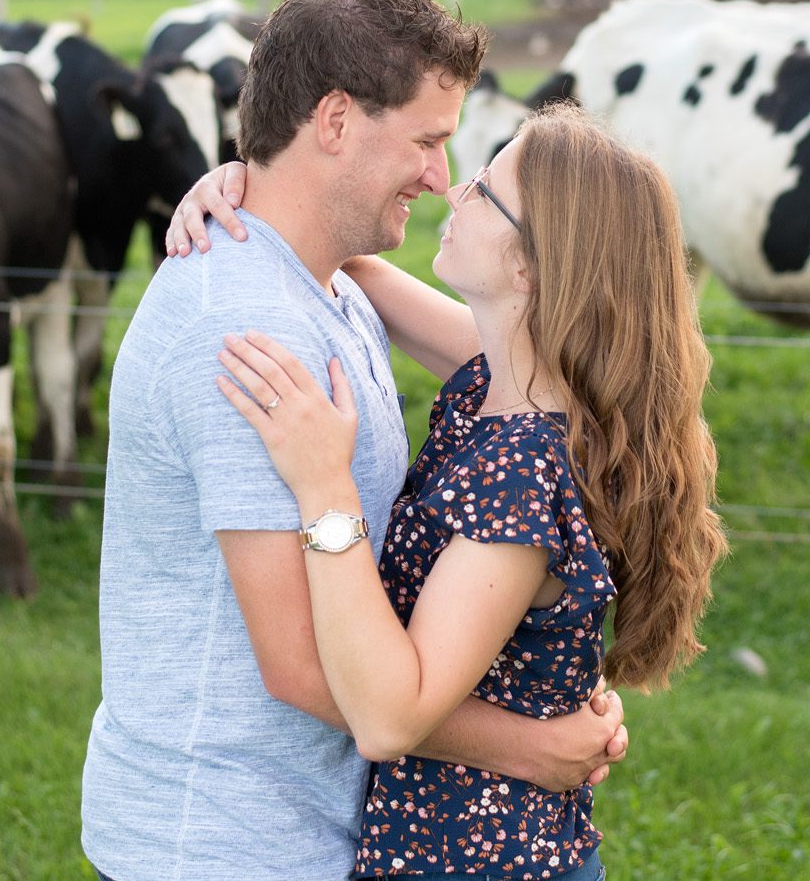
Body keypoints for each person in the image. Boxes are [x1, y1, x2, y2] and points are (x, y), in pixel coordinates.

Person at [81, 0, 629, 881]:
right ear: (335, 120)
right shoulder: (245, 334)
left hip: (303, 828)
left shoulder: (326, 282)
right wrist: (527, 745)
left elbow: (549, 376)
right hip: (222, 842)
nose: (440, 177)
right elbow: (301, 665)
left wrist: (253, 191)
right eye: (426, 140)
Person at [171, 102, 729, 879]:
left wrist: (325, 485)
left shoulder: (522, 469)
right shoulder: (521, 385)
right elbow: (347, 261)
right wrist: (248, 191)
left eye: (485, 189)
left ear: (528, 267)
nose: (454, 189)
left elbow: (387, 717)